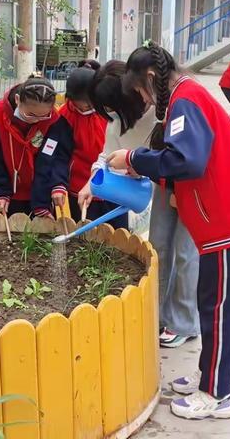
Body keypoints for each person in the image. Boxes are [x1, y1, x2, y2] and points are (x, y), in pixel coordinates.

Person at [107, 41, 230, 420]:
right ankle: (208, 377)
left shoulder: (184, 100)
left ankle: (218, 395)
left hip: (227, 219)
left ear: (151, 78)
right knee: (211, 306)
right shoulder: (185, 95)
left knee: (219, 310)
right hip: (220, 218)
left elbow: (186, 160)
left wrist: (133, 158)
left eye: (141, 91)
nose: (143, 99)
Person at [80, 60, 201, 348]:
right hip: (163, 183)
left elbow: (183, 158)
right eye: (107, 110)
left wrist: (144, 167)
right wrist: (89, 183)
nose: (111, 116)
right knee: (159, 246)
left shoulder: (167, 112)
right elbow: (106, 155)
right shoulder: (118, 121)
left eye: (114, 107)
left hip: (189, 183)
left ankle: (184, 321)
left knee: (186, 251)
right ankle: (156, 313)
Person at [31, 67, 127, 229]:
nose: (83, 110)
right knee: (87, 238)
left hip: (115, 187)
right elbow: (57, 157)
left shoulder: (111, 111)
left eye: (89, 106)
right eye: (78, 106)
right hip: (82, 191)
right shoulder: (63, 119)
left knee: (119, 237)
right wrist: (58, 185)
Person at [0, 77, 59, 217]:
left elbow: (48, 159)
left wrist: (42, 201)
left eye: (43, 116)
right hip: (9, 192)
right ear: (18, 100)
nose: (36, 120)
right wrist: (1, 193)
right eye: (30, 115)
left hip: (40, 193)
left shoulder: (53, 119)